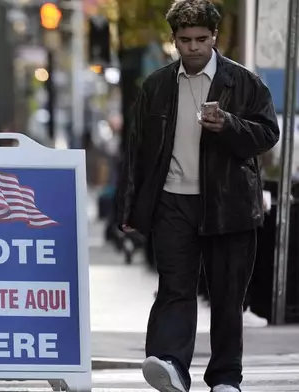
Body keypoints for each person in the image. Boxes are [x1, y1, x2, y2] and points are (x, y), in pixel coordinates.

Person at [115, 1, 280, 391]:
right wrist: (128, 207)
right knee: (174, 287)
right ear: (174, 40)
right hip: (173, 201)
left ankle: (225, 378)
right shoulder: (156, 86)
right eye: (185, 40)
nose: (193, 47)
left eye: (201, 39)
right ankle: (170, 364)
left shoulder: (244, 83)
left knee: (226, 296)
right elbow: (136, 150)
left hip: (229, 204)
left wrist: (229, 124)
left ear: (215, 37)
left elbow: (267, 135)